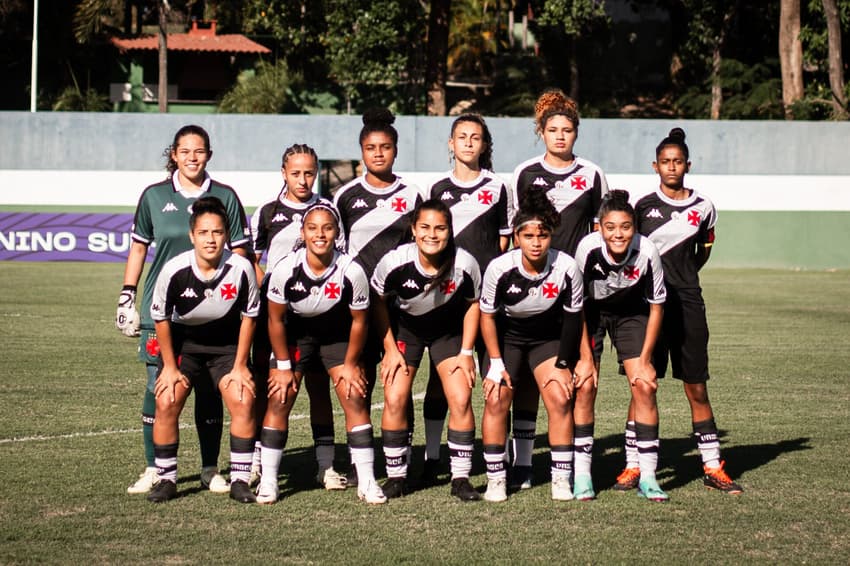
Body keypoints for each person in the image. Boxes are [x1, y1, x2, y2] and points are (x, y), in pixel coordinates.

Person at [117, 125, 251, 495]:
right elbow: (139, 248)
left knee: (210, 390)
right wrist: (127, 295)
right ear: (173, 155)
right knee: (158, 386)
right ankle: (155, 469)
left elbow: (241, 252)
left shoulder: (225, 196)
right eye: (185, 151)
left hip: (216, 312)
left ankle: (210, 469)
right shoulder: (154, 196)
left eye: (199, 151)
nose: (193, 157)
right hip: (162, 313)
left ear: (209, 155)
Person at [622, 128, 743, 494]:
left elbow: (703, 252)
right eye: (665, 161)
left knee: (696, 387)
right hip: (647, 306)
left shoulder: (704, 207)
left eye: (677, 161)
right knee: (643, 384)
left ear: (688, 165)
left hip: (688, 303)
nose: (671, 167)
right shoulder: (642, 206)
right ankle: (633, 466)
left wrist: (683, 278)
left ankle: (712, 466)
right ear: (655, 166)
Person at [507, 89, 609, 492]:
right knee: (527, 382)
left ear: (576, 133)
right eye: (553, 130)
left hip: (579, 297)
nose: (560, 136)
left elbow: (602, 234)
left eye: (567, 130)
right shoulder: (524, 173)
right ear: (542, 132)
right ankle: (523, 464)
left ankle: (579, 470)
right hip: (531, 293)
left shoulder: (593, 174)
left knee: (582, 382)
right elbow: (513, 235)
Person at [257, 202, 386, 505]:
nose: (320, 235)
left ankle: (367, 481)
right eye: (313, 228)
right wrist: (283, 366)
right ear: (302, 233)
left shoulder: (351, 270)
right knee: (280, 396)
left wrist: (351, 364)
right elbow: (275, 320)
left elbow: (360, 322)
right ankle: (269, 480)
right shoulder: (285, 269)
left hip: (336, 336)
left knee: (353, 394)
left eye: (327, 228)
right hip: (295, 335)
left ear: (337, 233)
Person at [478, 190, 591, 502]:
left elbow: (573, 319)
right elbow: (487, 318)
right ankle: (496, 480)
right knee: (496, 398)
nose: (536, 242)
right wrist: (495, 364)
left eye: (543, 235)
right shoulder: (499, 268)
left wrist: (564, 364)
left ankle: (561, 479)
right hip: (507, 339)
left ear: (551, 235)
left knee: (560, 396)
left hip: (547, 339)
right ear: (516, 237)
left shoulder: (566, 267)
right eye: (528, 236)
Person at [146, 196, 260, 503]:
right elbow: (161, 318)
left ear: (226, 235)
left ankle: (240, 481)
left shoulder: (241, 268)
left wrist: (241, 366)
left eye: (218, 232)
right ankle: (167, 480)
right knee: (167, 399)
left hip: (227, 347)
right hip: (186, 346)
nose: (211, 239)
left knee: (243, 399)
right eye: (204, 233)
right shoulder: (174, 270)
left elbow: (249, 318)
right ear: (192, 236)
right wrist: (170, 368)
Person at [370, 199, 482, 501]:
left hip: (448, 333)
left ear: (450, 231)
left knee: (460, 397)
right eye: (425, 227)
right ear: (413, 230)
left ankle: (460, 478)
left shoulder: (465, 264)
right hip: (406, 332)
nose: (432, 235)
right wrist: (390, 348)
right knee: (395, 396)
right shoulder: (395, 262)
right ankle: (397, 477)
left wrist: (466, 352)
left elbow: (473, 305)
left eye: (440, 228)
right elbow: (377, 302)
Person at [333, 108, 422, 485]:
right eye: (371, 148)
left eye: (385, 147)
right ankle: (361, 461)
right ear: (361, 152)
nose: (379, 153)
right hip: (357, 307)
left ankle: (403, 456)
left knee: (398, 381)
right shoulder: (345, 196)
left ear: (395, 151)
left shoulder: (413, 195)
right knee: (360, 382)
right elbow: (337, 252)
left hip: (401, 307)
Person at [250, 143, 347, 491]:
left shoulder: (329, 210)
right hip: (278, 320)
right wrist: (270, 288)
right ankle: (257, 463)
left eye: (309, 173)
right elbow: (250, 259)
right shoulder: (267, 211)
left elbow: (340, 260)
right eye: (295, 173)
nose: (303, 180)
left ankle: (325, 466)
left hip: (322, 318)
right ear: (283, 173)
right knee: (273, 389)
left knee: (320, 390)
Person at [420, 113, 511, 484]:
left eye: (476, 137)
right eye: (462, 136)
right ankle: (431, 454)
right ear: (451, 143)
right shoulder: (436, 188)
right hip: (448, 299)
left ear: (484, 144)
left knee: (497, 375)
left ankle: (498, 454)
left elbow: (503, 240)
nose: (469, 143)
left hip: (489, 300)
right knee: (440, 379)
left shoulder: (499, 186)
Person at [574, 190, 668, 501]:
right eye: (611, 227)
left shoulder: (647, 251)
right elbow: (576, 306)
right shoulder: (587, 249)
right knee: (585, 385)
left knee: (644, 385)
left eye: (626, 227)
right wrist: (585, 357)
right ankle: (582, 475)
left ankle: (648, 476)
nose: (618, 234)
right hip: (592, 315)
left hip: (631, 314)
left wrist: (645, 359)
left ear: (635, 228)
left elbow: (656, 307)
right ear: (599, 228)